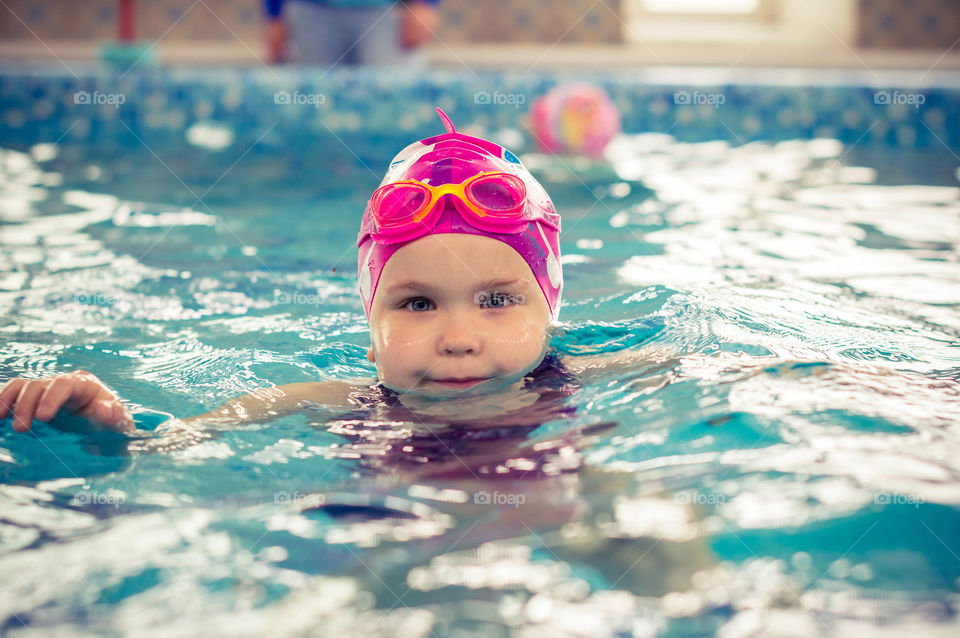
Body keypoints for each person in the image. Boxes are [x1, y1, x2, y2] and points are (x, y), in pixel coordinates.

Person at [0, 108, 662, 437]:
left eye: (495, 298)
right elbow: (175, 443)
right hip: (390, 535)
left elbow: (717, 368)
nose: (458, 337)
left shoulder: (578, 380)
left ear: (548, 316)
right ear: (370, 332)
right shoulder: (333, 403)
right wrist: (106, 424)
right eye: (418, 305)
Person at [264, 0, 440, 67]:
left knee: (395, 101)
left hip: (386, 11)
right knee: (311, 104)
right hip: (310, 10)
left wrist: (425, 3)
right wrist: (275, 15)